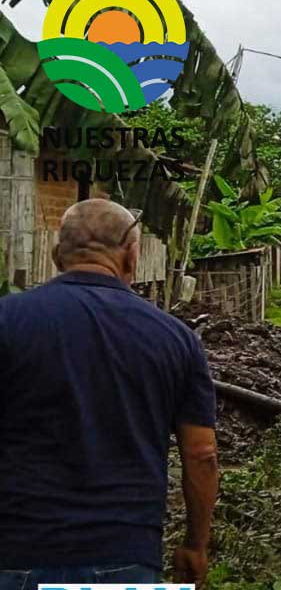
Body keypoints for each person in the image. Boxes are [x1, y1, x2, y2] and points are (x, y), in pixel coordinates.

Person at [0, 199, 218, 586]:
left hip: (15, 553)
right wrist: (196, 544)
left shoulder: (8, 320)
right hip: (124, 554)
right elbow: (201, 454)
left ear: (55, 255)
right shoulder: (174, 338)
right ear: (132, 257)